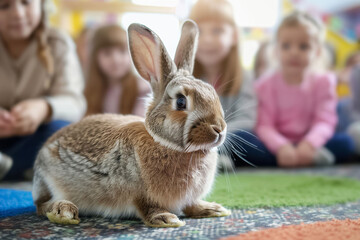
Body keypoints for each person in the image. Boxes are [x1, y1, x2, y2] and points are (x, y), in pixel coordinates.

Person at [254, 11, 354, 167]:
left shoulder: (324, 82)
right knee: (249, 144)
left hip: (311, 142)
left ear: (318, 52)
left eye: (304, 46)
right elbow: (265, 126)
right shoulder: (265, 85)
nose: (294, 52)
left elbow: (325, 121)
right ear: (276, 50)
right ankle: (299, 158)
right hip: (276, 145)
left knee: (346, 142)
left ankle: (306, 156)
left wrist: (309, 144)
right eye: (286, 46)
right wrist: (281, 147)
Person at [0, 0, 85, 180]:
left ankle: (11, 167)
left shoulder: (59, 43)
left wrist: (44, 108)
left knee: (62, 130)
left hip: (35, 136)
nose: (18, 14)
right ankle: (23, 169)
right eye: (4, 6)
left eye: (26, 3)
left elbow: (75, 102)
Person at [189, 0, 257, 169]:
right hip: (195, 141)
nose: (207, 40)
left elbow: (248, 120)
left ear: (233, 36)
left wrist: (215, 137)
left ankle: (213, 158)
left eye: (217, 31)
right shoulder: (187, 80)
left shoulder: (245, 77)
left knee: (253, 142)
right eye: (199, 32)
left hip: (229, 139)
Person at [84, 25, 151, 117]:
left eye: (122, 51)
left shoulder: (142, 89)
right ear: (95, 58)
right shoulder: (90, 90)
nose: (116, 60)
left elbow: (139, 123)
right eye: (107, 53)